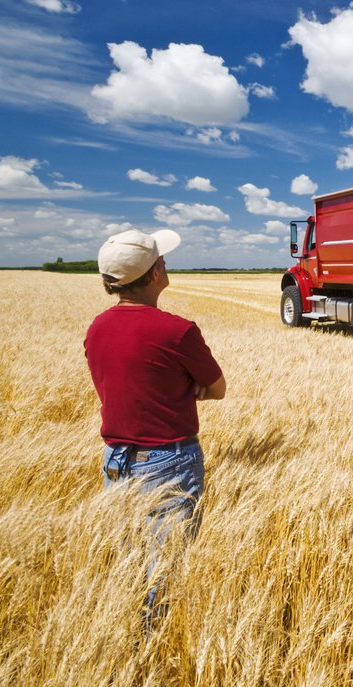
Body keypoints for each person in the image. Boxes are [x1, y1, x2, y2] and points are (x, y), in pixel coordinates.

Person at [84, 228, 226, 628]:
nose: (166, 264)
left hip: (115, 460)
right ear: (153, 275)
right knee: (165, 563)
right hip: (168, 460)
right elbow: (217, 388)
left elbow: (123, 383)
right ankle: (151, 640)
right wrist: (184, 387)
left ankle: (123, 630)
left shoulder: (97, 327)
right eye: (161, 260)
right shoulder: (177, 331)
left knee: (130, 554)